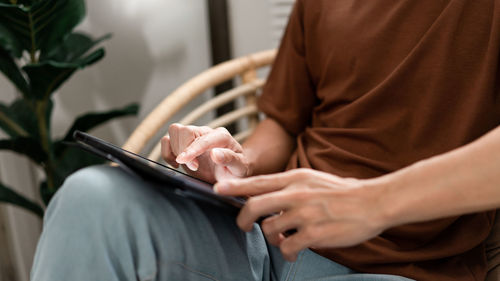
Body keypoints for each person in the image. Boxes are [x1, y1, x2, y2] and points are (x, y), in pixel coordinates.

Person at [31, 1, 499, 281]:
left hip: (406, 269)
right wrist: (236, 159)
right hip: (267, 237)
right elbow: (282, 122)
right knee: (89, 198)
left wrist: (372, 203)